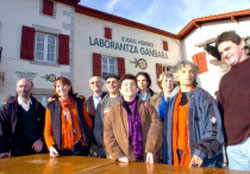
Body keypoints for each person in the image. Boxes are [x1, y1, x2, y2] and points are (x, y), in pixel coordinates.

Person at [162, 60, 224, 168]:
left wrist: (202, 151)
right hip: (176, 156)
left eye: (191, 72)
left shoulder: (204, 97)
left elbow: (214, 129)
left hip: (198, 156)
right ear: (177, 77)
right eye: (183, 72)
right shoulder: (172, 101)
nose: (188, 75)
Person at [103, 74, 163, 163]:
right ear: (120, 90)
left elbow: (156, 128)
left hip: (146, 157)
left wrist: (151, 149)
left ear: (137, 88)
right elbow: (108, 133)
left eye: (132, 84)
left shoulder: (147, 106)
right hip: (123, 159)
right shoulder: (114, 110)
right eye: (126, 84)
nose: (129, 87)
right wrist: (118, 155)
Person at [216, 31, 250, 171]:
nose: (225, 54)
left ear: (241, 43)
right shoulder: (224, 80)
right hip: (233, 147)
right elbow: (221, 111)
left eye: (227, 48)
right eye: (221, 52)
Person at [44, 76, 92, 157]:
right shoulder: (51, 106)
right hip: (60, 148)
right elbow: (47, 129)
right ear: (55, 89)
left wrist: (86, 137)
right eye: (58, 86)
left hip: (79, 146)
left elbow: (88, 122)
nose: (61, 88)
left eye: (64, 85)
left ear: (69, 87)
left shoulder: (79, 103)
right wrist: (50, 146)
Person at [0, 78, 46, 158]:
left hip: (37, 152)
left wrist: (41, 140)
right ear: (16, 88)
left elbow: (47, 127)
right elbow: (2, 130)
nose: (23, 89)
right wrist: (3, 150)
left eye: (26, 86)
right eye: (20, 86)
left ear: (31, 88)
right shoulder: (8, 108)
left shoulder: (39, 107)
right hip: (16, 153)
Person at [94, 74, 121, 158]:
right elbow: (98, 126)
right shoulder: (102, 104)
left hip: (122, 143)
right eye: (108, 82)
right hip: (107, 145)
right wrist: (102, 142)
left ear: (119, 84)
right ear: (105, 85)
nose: (111, 84)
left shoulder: (125, 100)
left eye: (114, 82)